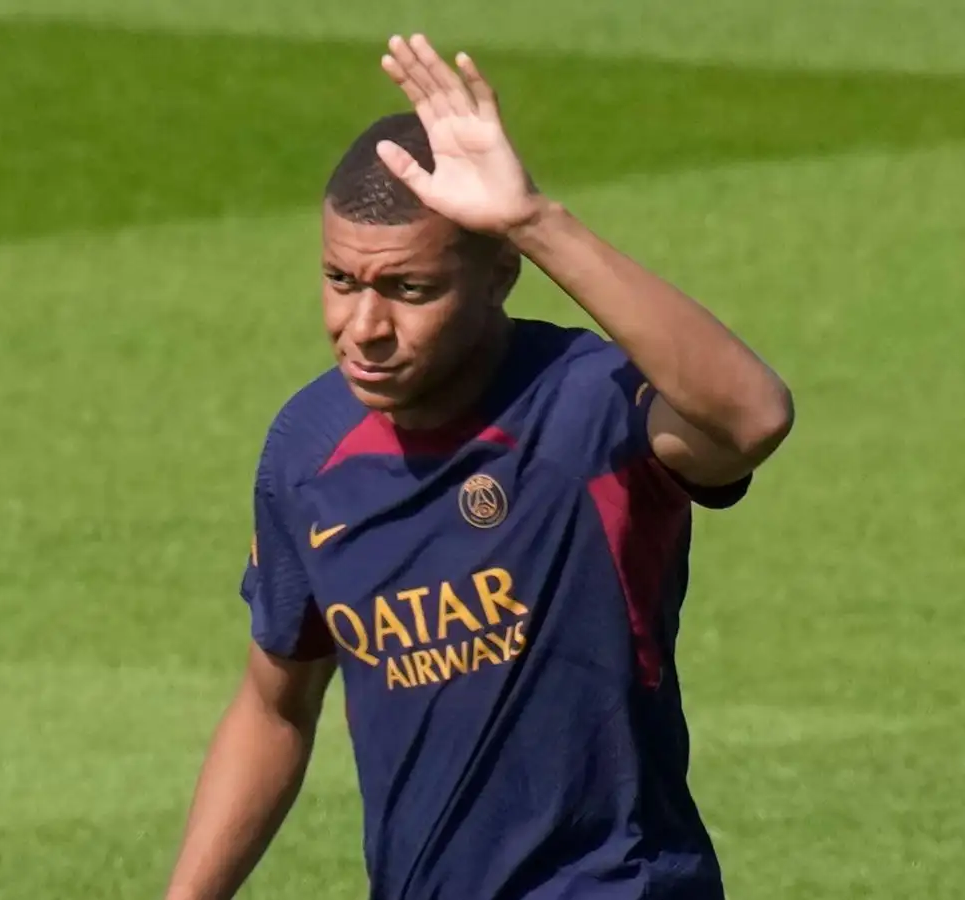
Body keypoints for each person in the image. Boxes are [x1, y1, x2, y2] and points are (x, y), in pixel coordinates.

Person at [164, 33, 794, 900]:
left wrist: (534, 220)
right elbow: (274, 706)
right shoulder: (308, 450)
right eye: (342, 281)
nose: (365, 329)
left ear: (500, 275)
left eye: (409, 290)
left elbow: (753, 418)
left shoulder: (590, 409)